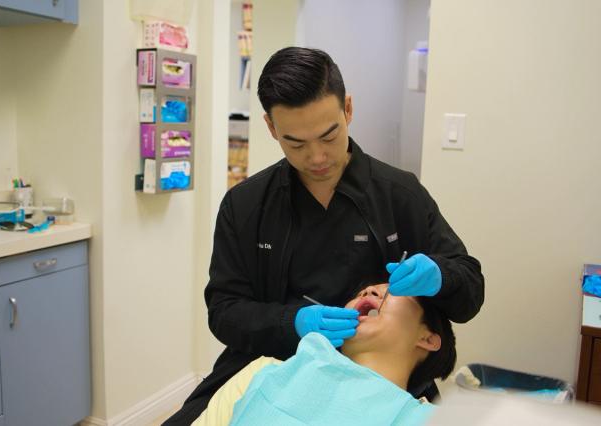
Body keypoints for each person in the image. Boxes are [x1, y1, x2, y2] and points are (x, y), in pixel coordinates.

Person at [163, 47, 484, 424]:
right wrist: (292, 323)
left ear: (347, 109)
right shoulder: (245, 206)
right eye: (295, 143)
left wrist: (441, 276)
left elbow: (469, 293)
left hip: (374, 381)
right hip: (274, 361)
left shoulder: (399, 195)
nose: (316, 157)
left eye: (329, 136)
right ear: (271, 128)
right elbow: (224, 312)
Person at [192, 283, 457, 425]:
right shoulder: (264, 372)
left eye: (391, 291)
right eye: (362, 292)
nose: (369, 291)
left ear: (428, 338)